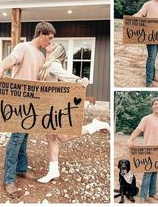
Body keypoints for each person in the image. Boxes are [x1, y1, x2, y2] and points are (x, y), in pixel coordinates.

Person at [0, 21, 56, 198]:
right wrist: (0, 68)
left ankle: (21, 169)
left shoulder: (42, 56)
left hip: (31, 103)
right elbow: (11, 59)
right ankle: (8, 180)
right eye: (48, 38)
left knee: (25, 135)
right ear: (41, 34)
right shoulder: (23, 47)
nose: (49, 42)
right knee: (17, 138)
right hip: (18, 102)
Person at [37, 43, 110, 183]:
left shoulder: (53, 65)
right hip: (48, 106)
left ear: (56, 50)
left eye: (53, 44)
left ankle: (95, 125)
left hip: (55, 108)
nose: (49, 44)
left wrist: (79, 80)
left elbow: (67, 76)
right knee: (51, 138)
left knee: (62, 137)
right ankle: (53, 171)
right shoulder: (48, 63)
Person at [126, 97, 158, 203]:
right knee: (148, 172)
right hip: (148, 150)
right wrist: (130, 139)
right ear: (152, 106)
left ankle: (152, 193)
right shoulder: (146, 118)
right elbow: (138, 130)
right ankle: (143, 195)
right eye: (155, 104)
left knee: (155, 172)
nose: (157, 106)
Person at [133, 0, 158, 87]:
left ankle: (153, 76)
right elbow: (140, 14)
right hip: (149, 34)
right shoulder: (148, 4)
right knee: (151, 56)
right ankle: (148, 81)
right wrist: (130, 19)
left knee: (153, 56)